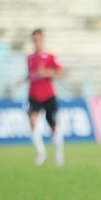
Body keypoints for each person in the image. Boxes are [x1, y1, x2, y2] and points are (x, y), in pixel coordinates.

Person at [24, 28, 65, 166]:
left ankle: (59, 155)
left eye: (38, 39)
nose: (36, 42)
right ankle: (41, 153)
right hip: (34, 95)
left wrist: (47, 73)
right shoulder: (29, 58)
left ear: (42, 39)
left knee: (52, 124)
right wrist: (23, 80)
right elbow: (31, 75)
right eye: (34, 39)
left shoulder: (50, 56)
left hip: (48, 95)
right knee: (32, 120)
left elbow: (61, 72)